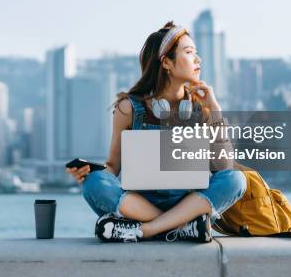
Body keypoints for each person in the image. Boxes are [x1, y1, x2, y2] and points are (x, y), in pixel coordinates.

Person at [67, 21, 247, 243]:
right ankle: (183, 228)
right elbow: (113, 166)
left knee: (236, 180)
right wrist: (90, 171)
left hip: (187, 202)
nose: (198, 60)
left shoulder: (202, 109)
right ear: (167, 63)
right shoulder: (128, 109)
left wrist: (216, 113)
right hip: (138, 203)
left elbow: (223, 168)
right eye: (189, 53)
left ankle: (146, 231)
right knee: (94, 183)